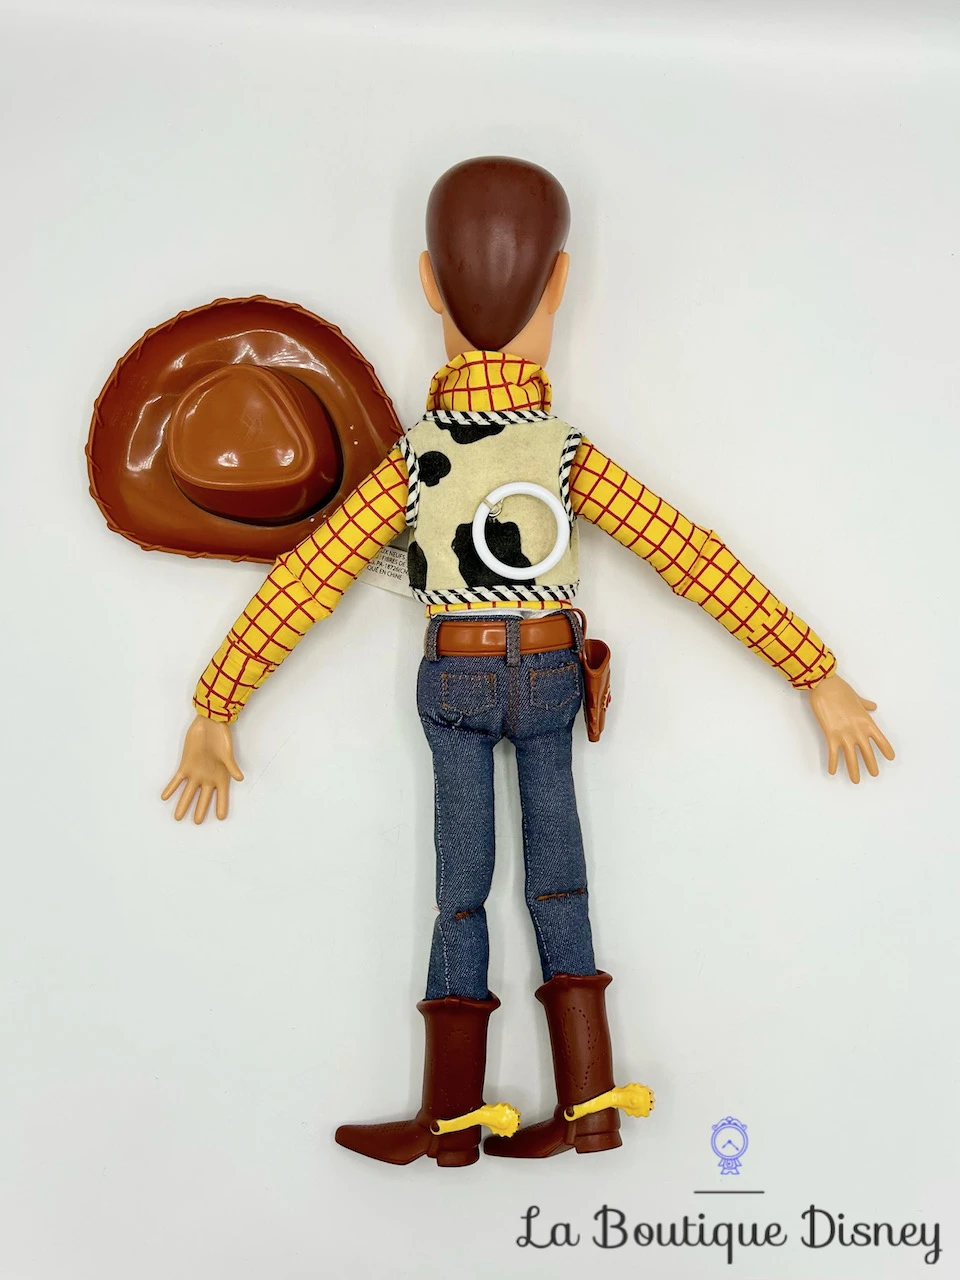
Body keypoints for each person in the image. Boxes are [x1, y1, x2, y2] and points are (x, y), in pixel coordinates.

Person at [162, 156, 894, 1166]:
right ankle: (589, 1106)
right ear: (561, 284)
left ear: (427, 285)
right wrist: (813, 670)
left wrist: (218, 703)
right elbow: (690, 556)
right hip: (551, 674)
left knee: (461, 889)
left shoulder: (414, 459)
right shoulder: (564, 452)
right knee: (561, 883)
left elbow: (309, 578)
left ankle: (450, 1120)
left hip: (456, 677)